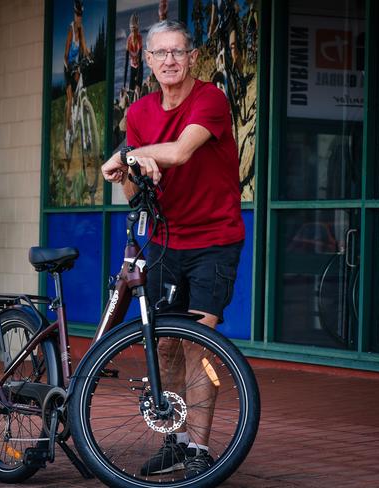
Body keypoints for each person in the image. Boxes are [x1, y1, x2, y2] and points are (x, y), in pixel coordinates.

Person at [101, 20, 244, 478]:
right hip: (165, 239)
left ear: (192, 57)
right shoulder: (138, 114)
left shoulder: (211, 99)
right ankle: (176, 443)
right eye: (160, 54)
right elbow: (134, 189)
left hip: (214, 240)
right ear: (147, 62)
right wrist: (130, 171)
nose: (169, 61)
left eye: (177, 52)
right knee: (163, 345)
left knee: (196, 345)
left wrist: (125, 156)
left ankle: (200, 452)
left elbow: (181, 152)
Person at [63, 0, 90, 151]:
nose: (79, 18)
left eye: (81, 15)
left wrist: (89, 56)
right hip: (68, 65)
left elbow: (85, 48)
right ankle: (68, 131)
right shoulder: (71, 30)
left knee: (81, 88)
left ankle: (82, 113)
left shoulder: (81, 30)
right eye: (77, 15)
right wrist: (69, 65)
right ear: (75, 15)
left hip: (77, 65)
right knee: (69, 99)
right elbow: (66, 54)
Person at [123, 13, 143, 102]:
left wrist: (138, 79)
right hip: (132, 66)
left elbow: (140, 55)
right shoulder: (128, 40)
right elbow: (126, 63)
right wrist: (124, 83)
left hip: (139, 65)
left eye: (135, 30)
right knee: (131, 90)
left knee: (138, 89)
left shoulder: (139, 38)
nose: (134, 33)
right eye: (132, 30)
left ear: (138, 29)